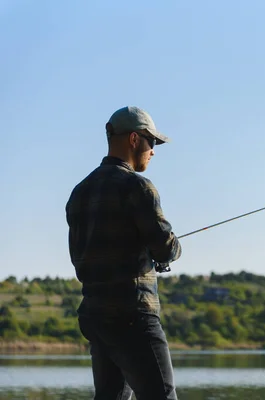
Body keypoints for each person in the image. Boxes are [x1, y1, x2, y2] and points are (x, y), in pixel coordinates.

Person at [65, 106, 182, 400]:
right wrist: (173, 248)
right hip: (133, 315)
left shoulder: (80, 191)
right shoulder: (138, 187)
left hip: (96, 315)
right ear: (133, 139)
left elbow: (80, 259)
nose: (153, 151)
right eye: (151, 142)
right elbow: (165, 247)